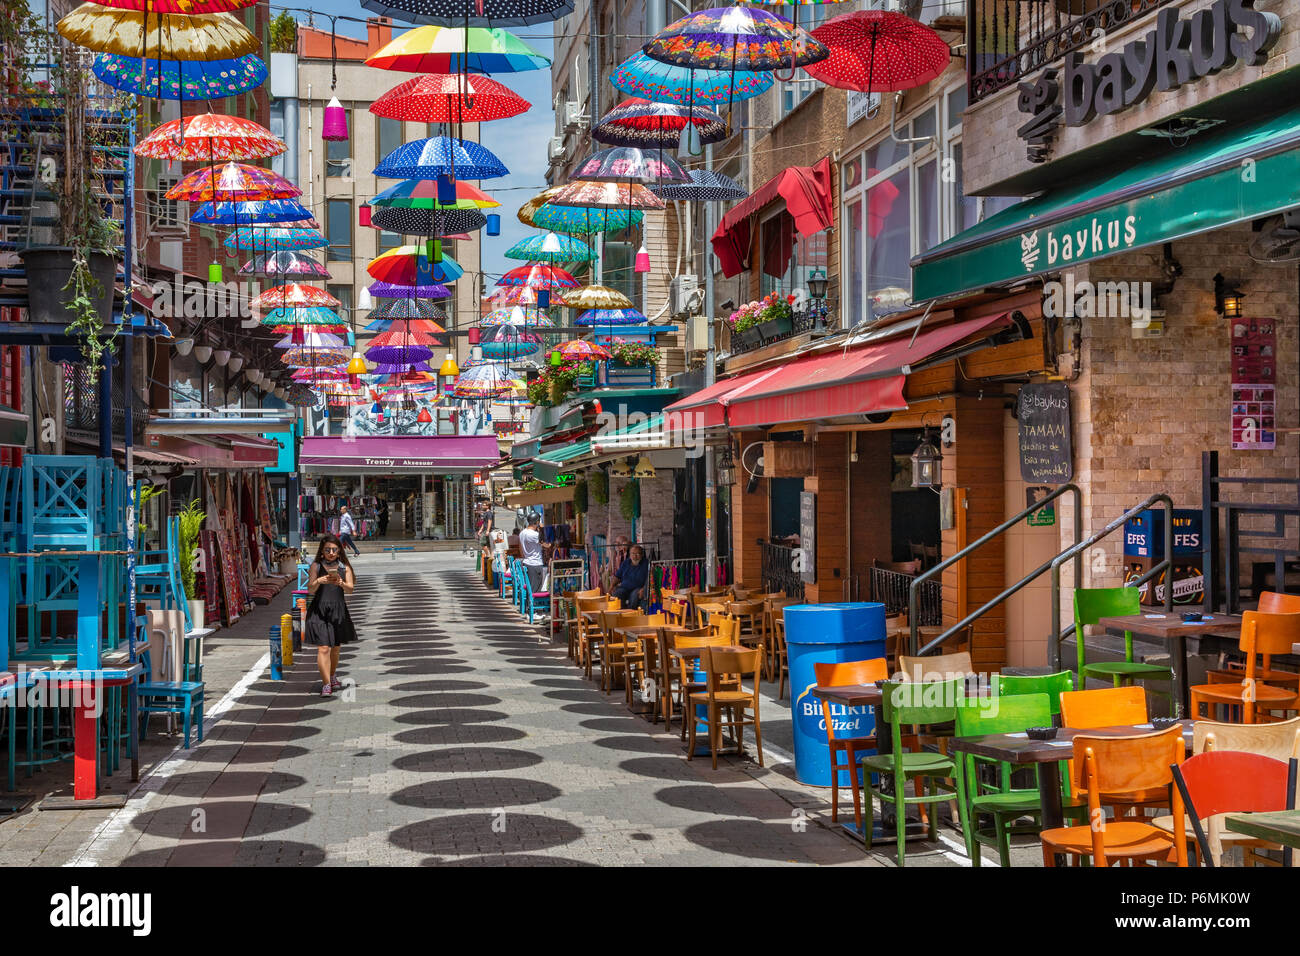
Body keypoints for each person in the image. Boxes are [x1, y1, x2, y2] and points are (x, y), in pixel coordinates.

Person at [304, 534, 358, 697]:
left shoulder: (345, 567)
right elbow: (310, 590)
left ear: (339, 551)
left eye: (334, 549)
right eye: (327, 549)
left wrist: (340, 582)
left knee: (335, 648)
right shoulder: (316, 566)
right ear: (322, 551)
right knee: (324, 647)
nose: (331, 552)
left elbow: (350, 589)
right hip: (319, 610)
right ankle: (326, 683)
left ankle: (332, 676)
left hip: (338, 610)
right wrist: (320, 581)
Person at [611, 544, 649, 609]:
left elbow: (649, 579)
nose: (635, 556)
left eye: (638, 554)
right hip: (624, 588)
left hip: (638, 588)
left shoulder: (646, 564)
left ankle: (631, 614)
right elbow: (617, 576)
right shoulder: (626, 562)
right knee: (616, 595)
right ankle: (621, 614)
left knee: (634, 596)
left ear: (642, 555)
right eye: (633, 553)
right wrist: (611, 586)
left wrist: (644, 589)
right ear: (629, 554)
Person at [519, 513, 546, 596]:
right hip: (535, 563)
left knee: (530, 587)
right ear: (537, 522)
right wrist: (542, 529)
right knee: (536, 588)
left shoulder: (522, 533)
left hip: (527, 562)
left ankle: (529, 606)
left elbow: (520, 549)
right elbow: (547, 545)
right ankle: (533, 607)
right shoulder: (534, 535)